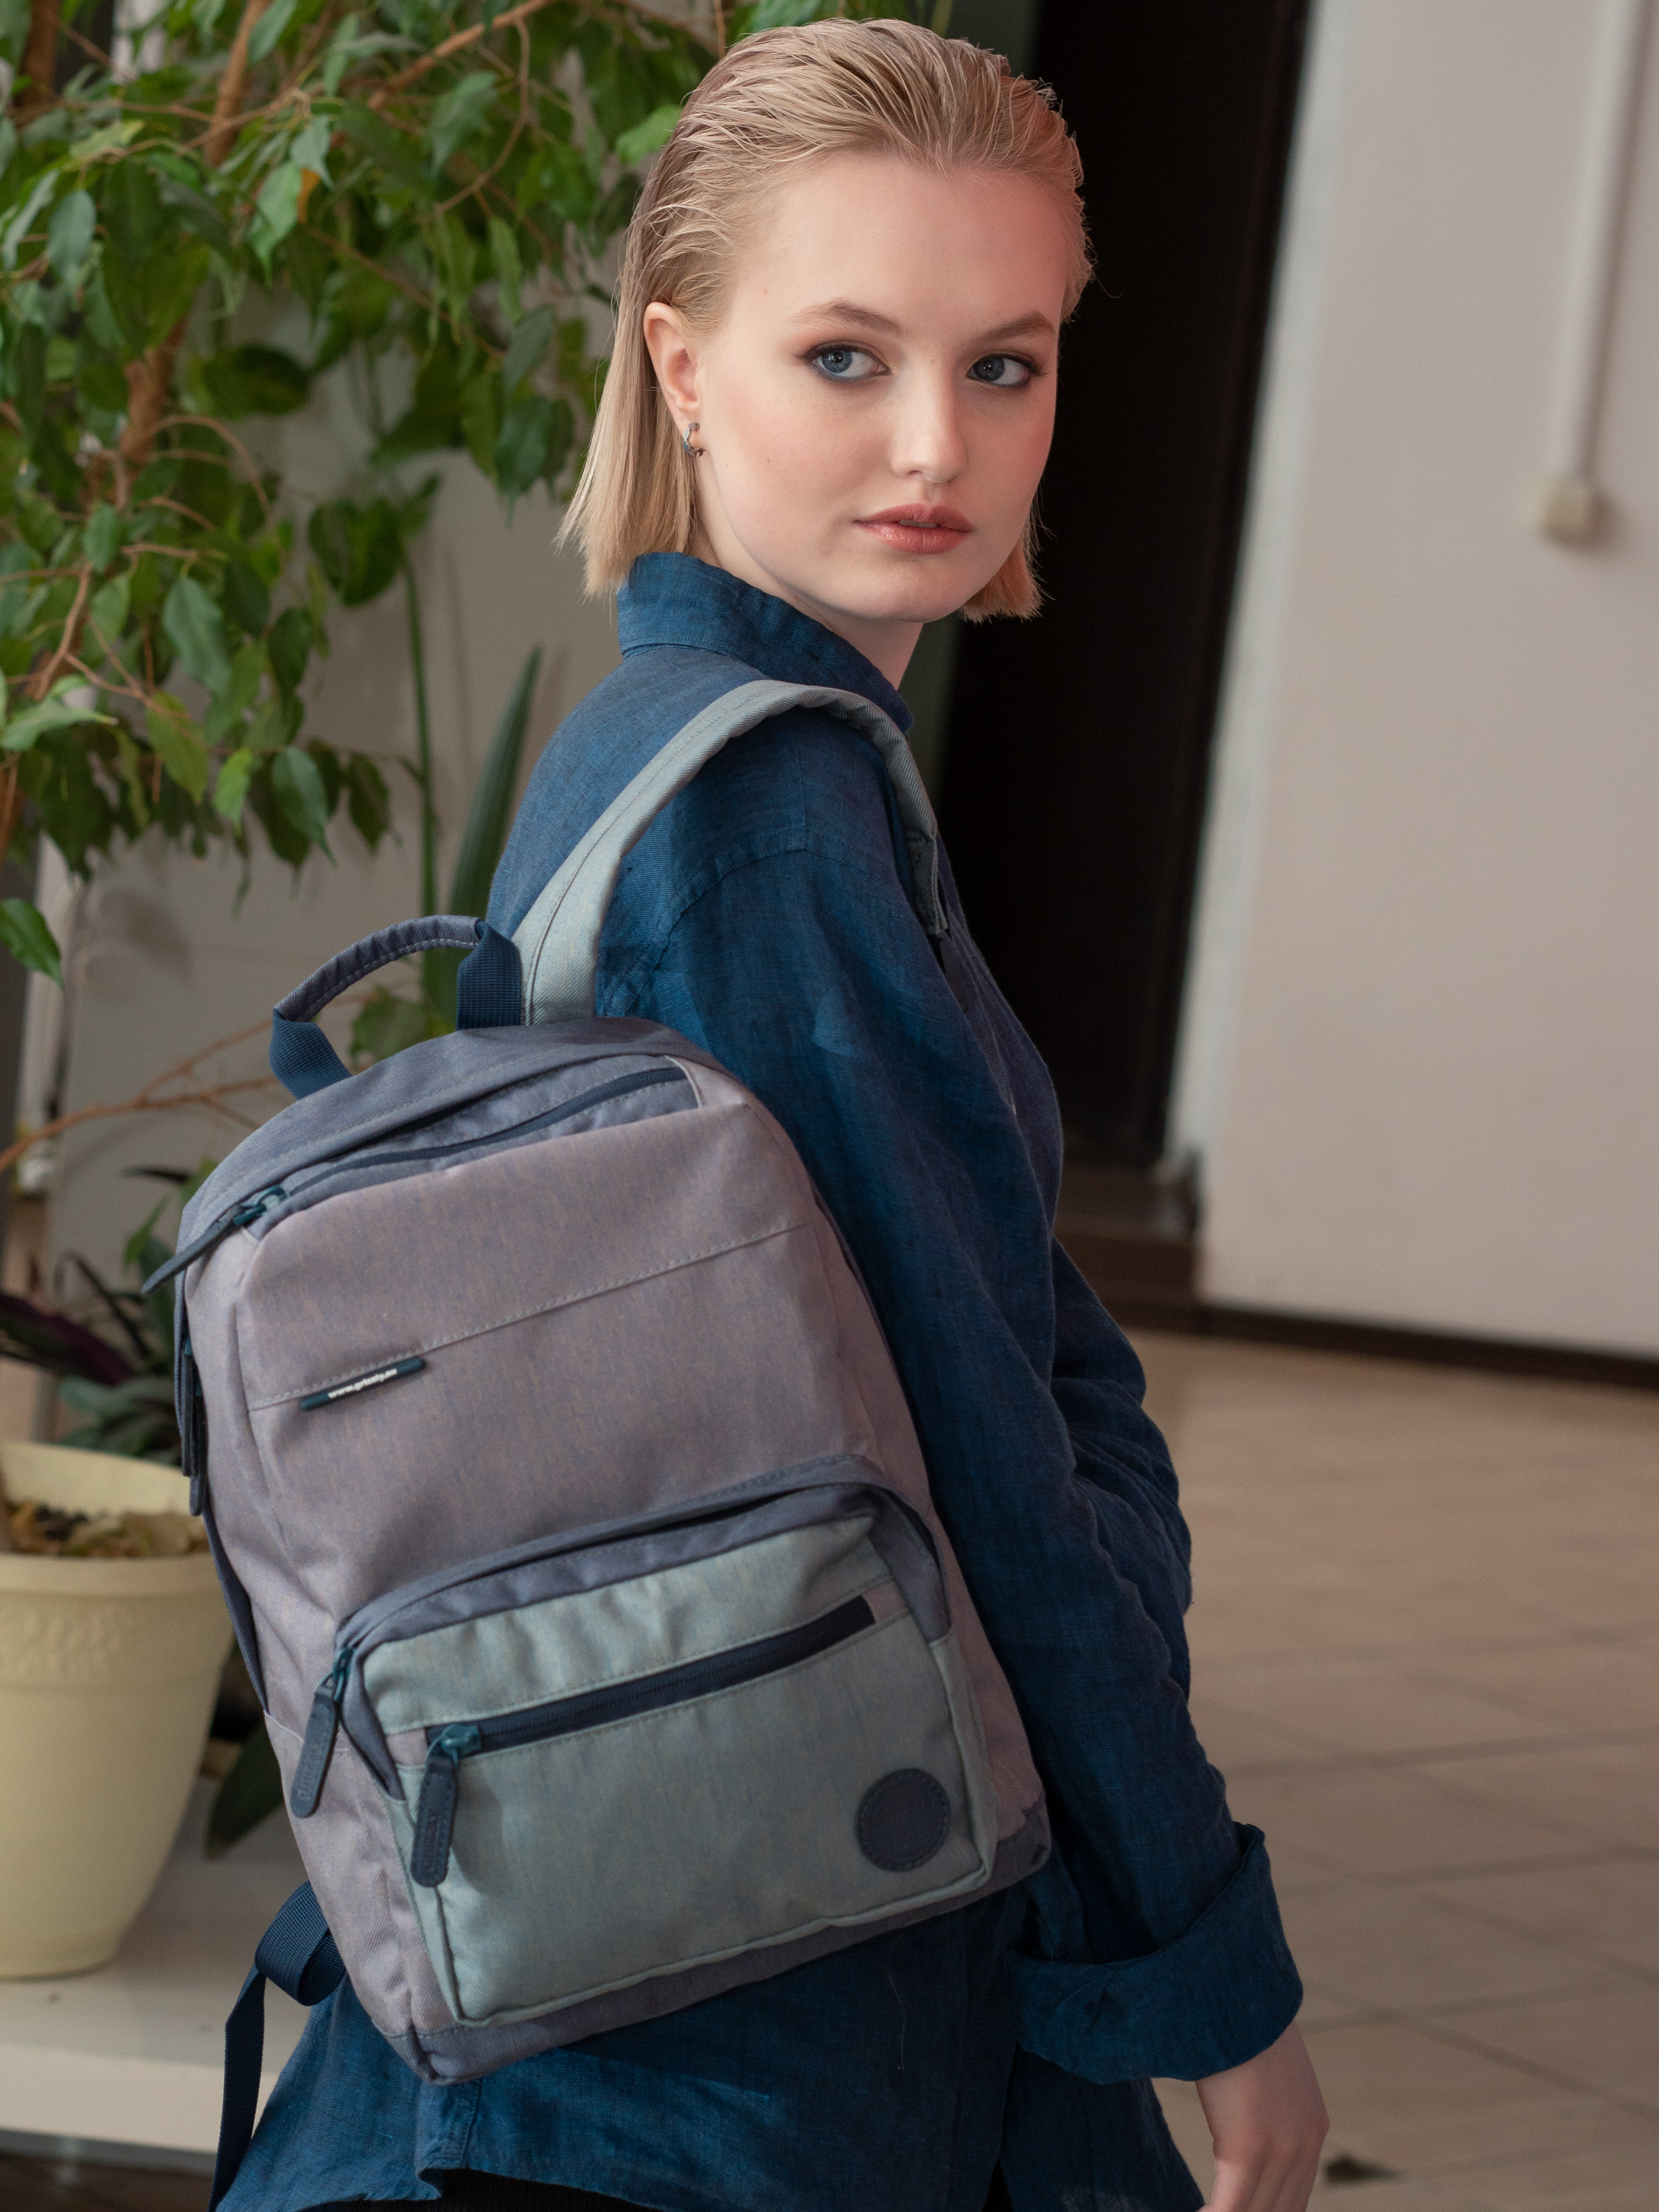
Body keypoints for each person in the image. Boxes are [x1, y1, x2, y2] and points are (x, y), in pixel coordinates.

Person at [232, 21, 1326, 2212]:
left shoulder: (651, 734)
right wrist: (1209, 1978)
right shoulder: (769, 818)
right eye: (846, 356)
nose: (937, 442)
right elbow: (980, 1470)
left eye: (1003, 365)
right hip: (777, 1995)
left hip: (669, 1921)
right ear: (682, 366)